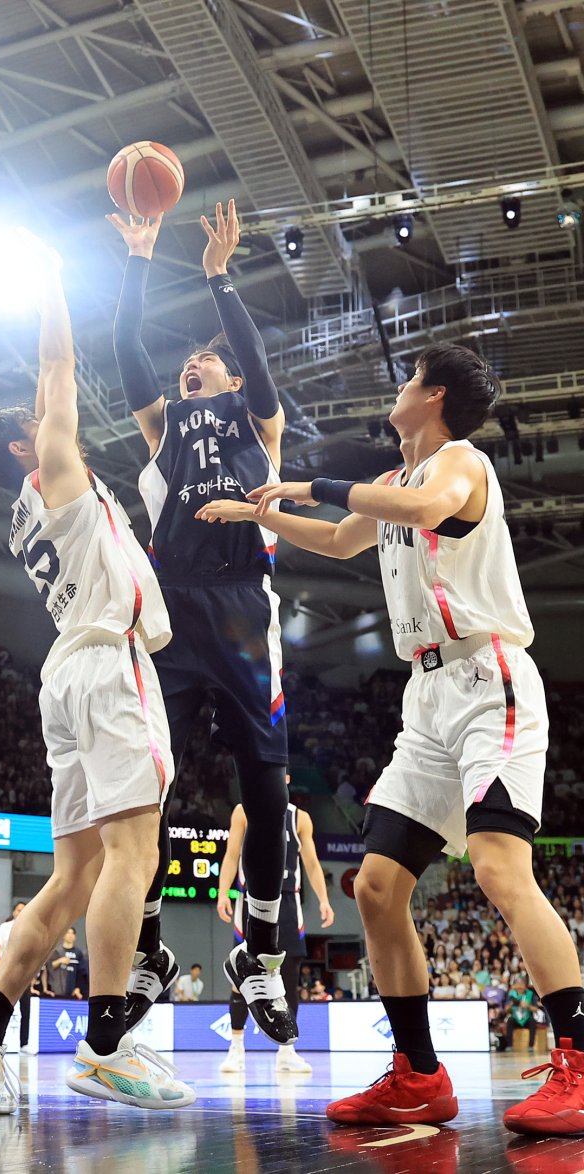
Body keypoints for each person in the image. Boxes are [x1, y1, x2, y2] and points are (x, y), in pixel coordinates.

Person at [197, 341, 584, 1136]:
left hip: (490, 680)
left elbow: (419, 512)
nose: (397, 389)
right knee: (375, 887)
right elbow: (341, 540)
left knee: (499, 868)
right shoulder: (393, 484)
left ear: (433, 396)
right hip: (428, 696)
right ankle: (418, 1074)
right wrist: (260, 514)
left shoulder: (462, 465)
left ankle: (579, 1059)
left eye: (409, 379)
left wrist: (309, 483)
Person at [0, 248, 193, 1115]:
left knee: (75, 875)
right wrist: (50, 274)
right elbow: (58, 365)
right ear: (28, 441)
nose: (65, 423)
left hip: (66, 678)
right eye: (50, 421)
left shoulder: (29, 513)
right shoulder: (50, 462)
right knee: (134, 855)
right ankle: (105, 1044)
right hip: (107, 665)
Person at [107, 199, 294, 1046]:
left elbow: (251, 355)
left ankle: (259, 953)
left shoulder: (260, 420)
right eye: (190, 365)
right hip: (172, 611)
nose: (194, 366)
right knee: (147, 785)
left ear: (233, 384)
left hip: (246, 609)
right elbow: (127, 355)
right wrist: (139, 261)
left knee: (267, 786)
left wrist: (220, 280)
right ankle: (152, 952)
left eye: (207, 364)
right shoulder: (164, 428)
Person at [217, 797, 334, 1074]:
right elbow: (232, 855)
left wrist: (324, 900)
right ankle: (236, 1049)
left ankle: (287, 1051)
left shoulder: (300, 817)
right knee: (244, 974)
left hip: (289, 901)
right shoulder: (243, 810)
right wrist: (223, 893)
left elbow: (312, 864)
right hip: (251, 899)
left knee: (290, 979)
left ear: (288, 778)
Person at [0, 903, 32, 1051]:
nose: (21, 912)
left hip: (25, 973)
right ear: (14, 912)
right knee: (1, 1007)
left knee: (26, 1009)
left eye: (24, 910)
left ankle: (24, 1043)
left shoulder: (31, 928)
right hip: (6, 971)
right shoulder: (5, 927)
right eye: (18, 910)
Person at [46, 927, 86, 999]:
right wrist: (59, 961)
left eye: (72, 933)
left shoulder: (78, 953)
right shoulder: (56, 951)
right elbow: (48, 968)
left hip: (72, 991)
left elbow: (81, 973)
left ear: (75, 936)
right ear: (63, 935)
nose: (70, 935)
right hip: (56, 990)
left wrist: (78, 988)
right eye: (68, 933)